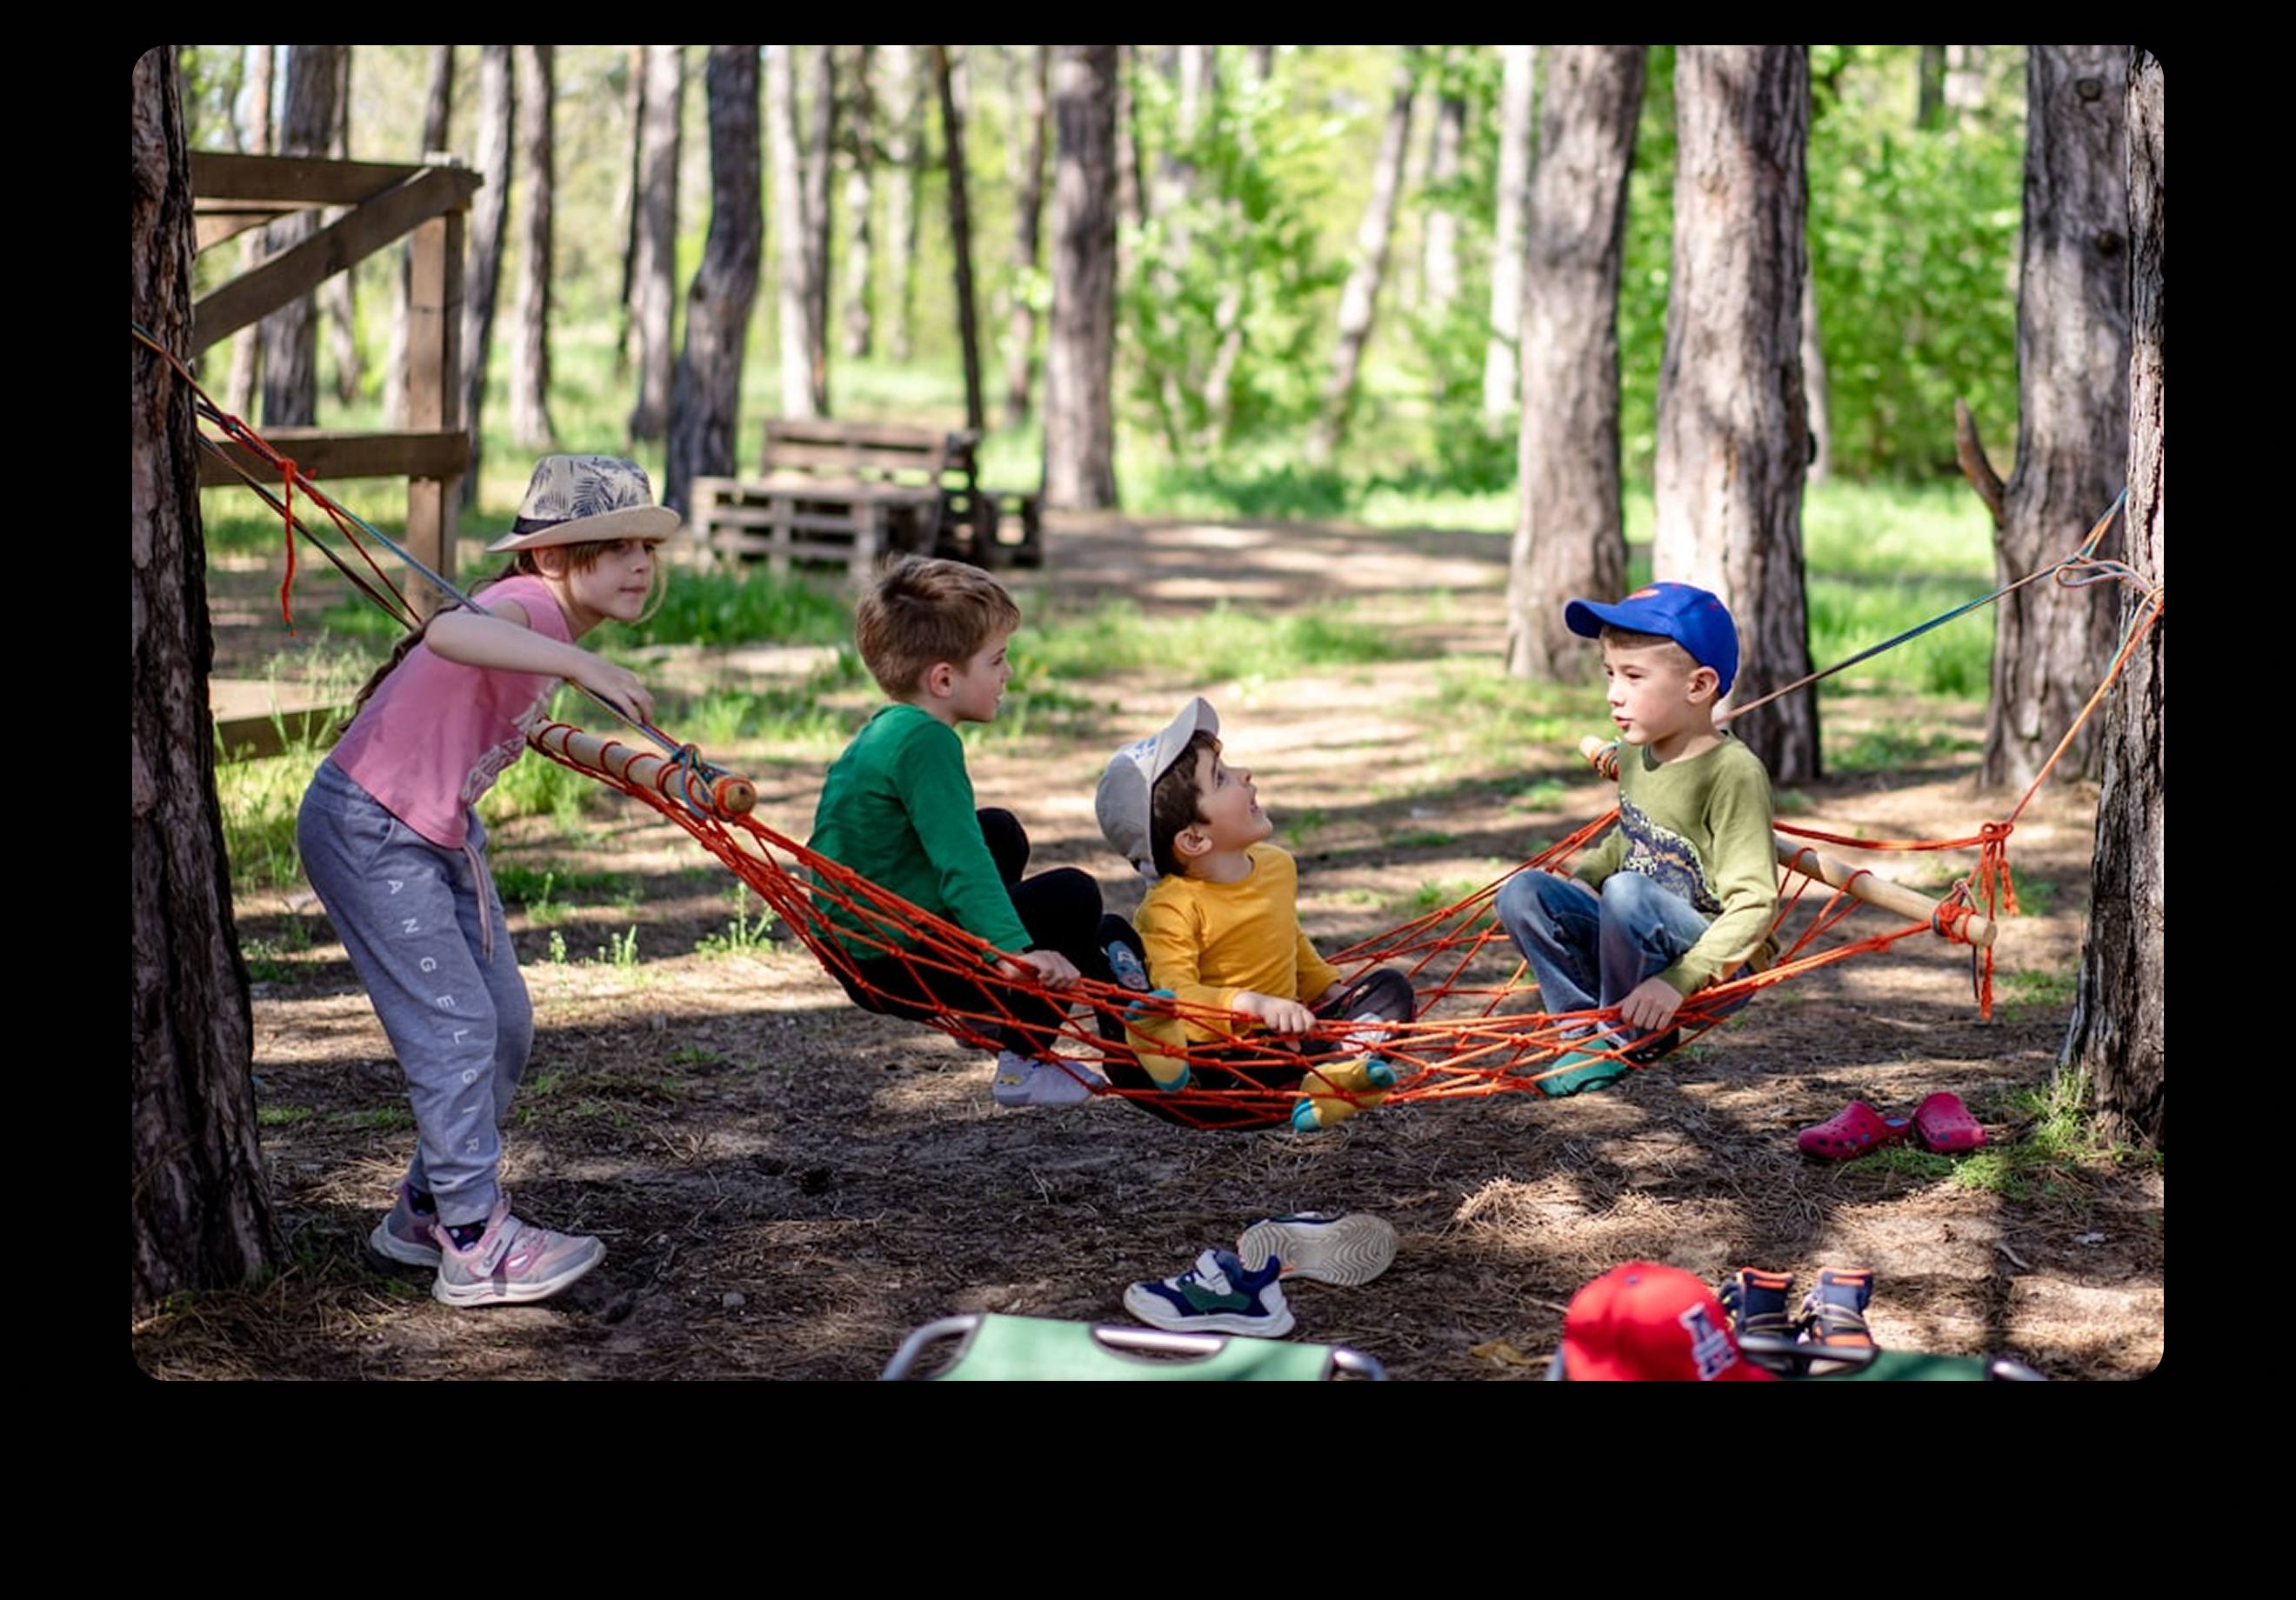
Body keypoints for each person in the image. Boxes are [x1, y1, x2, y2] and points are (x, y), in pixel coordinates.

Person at [299, 455, 674, 1306]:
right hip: (372, 829)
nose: (641, 564)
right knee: (459, 1029)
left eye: (646, 547)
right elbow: (451, 634)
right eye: (616, 546)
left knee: (502, 1024)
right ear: (550, 556)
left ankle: (424, 1213)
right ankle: (473, 1242)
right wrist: (579, 668)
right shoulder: (528, 605)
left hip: (435, 833)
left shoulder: (545, 623)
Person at [807, 556, 1139, 1108]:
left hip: (856, 941)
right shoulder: (928, 744)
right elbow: (960, 861)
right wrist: (1014, 955)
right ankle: (1025, 1061)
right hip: (896, 963)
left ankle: (983, 1010)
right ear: (943, 679)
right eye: (997, 660)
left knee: (1000, 830)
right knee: (1073, 894)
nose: (1007, 674)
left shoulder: (889, 728)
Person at [1494, 583, 1777, 1096]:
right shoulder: (1635, 752)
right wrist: (1586, 879)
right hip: (1637, 934)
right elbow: (1634, 834)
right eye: (1610, 673)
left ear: (1699, 686)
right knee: (1524, 892)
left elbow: (1755, 905)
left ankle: (1624, 1038)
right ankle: (1582, 1031)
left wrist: (1678, 981)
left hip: (1715, 965)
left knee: (1625, 891)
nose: (1613, 694)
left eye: (1634, 676)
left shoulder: (1734, 773)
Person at [1096, 698, 1416, 1131]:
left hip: (1289, 1051)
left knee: (1391, 990)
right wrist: (1252, 1006)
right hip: (1218, 1072)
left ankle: (1332, 1077)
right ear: (1194, 840)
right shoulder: (1171, 907)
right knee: (1110, 937)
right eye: (1220, 777)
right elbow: (1178, 996)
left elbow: (1287, 938)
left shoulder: (1275, 866)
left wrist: (1330, 991)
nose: (1244, 774)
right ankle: (1320, 1076)